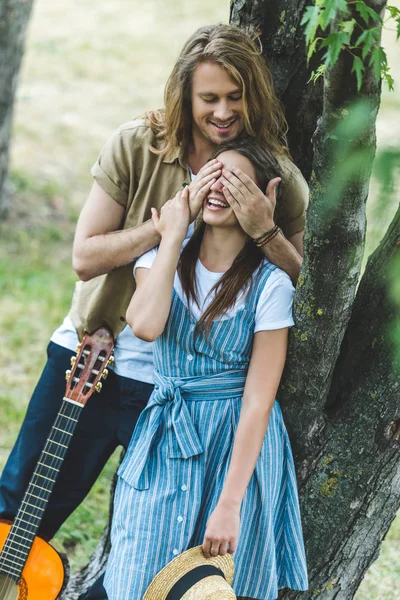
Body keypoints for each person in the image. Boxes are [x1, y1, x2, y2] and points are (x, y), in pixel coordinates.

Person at [0, 24, 308, 599]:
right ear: (185, 96)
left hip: (176, 385)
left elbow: (296, 288)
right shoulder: (138, 145)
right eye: (208, 98)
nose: (222, 112)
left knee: (150, 551)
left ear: (255, 98)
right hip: (91, 359)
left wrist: (263, 229)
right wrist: (170, 226)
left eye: (235, 98)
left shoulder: (274, 175)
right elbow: (84, 257)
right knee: (19, 511)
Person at [104, 138, 308, 600]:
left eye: (234, 180)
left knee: (210, 587)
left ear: (264, 197)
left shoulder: (270, 284)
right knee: (137, 575)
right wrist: (174, 232)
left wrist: (230, 503)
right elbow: (146, 325)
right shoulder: (162, 260)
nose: (217, 187)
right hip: (167, 432)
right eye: (210, 174)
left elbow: (258, 402)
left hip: (234, 444)